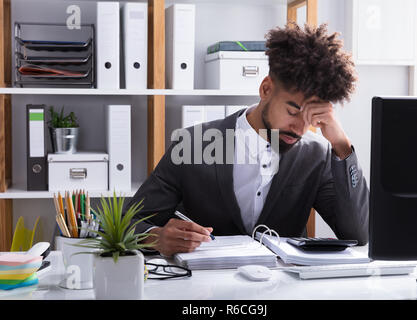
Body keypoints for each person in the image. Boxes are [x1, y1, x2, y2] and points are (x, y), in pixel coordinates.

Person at [125, 23, 369, 256]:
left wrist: (341, 145)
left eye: (312, 117)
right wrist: (156, 237)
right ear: (265, 89)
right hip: (205, 289)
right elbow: (129, 223)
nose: (300, 128)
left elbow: (358, 234)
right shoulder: (192, 144)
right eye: (293, 112)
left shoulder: (318, 155)